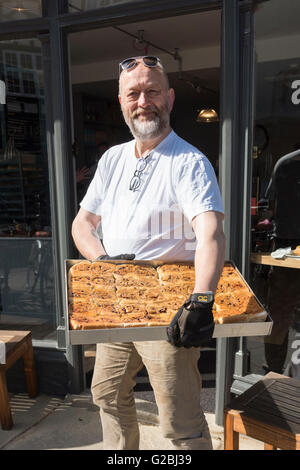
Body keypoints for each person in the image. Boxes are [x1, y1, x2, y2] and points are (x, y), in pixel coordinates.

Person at [71, 55, 225, 450]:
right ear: (121, 101)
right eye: (133, 93)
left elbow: (209, 233)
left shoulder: (189, 162)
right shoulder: (112, 159)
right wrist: (102, 262)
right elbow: (82, 224)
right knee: (106, 393)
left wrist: (202, 298)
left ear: (170, 98)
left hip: (170, 305)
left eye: (152, 91)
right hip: (120, 301)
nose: (144, 101)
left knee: (180, 420)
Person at [260, 146, 300, 374]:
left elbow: (270, 208)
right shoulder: (286, 163)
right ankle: (280, 371)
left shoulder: (285, 162)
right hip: (286, 246)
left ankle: (274, 371)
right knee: (281, 313)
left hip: (285, 245)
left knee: (280, 313)